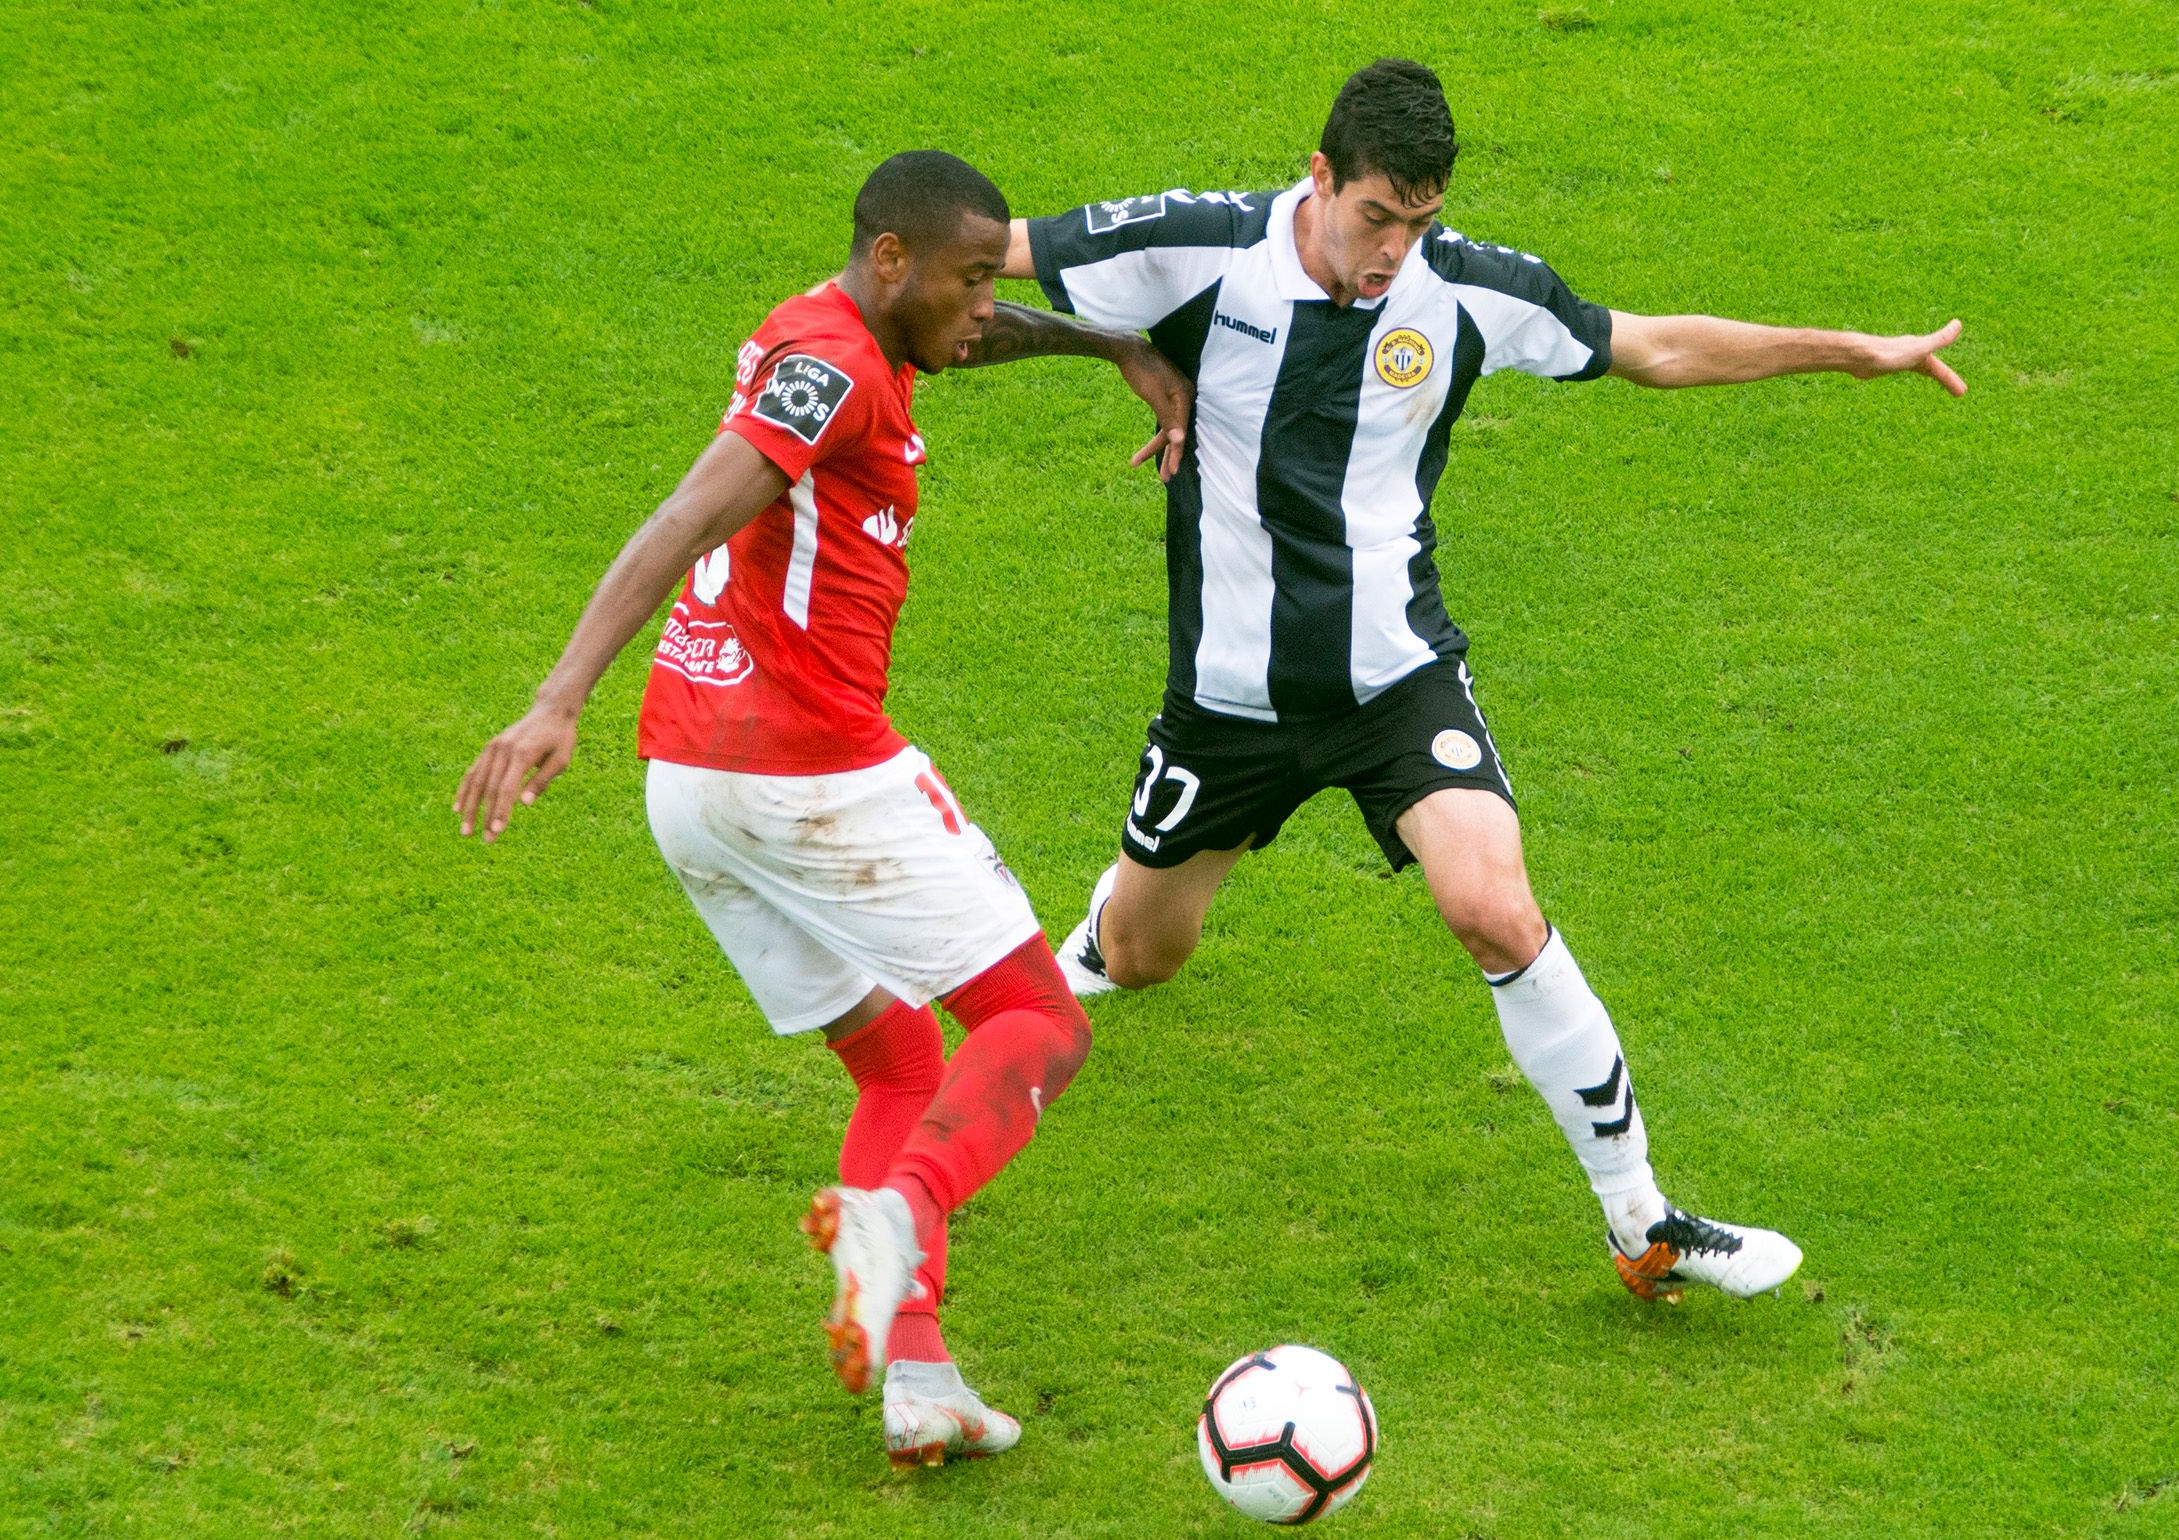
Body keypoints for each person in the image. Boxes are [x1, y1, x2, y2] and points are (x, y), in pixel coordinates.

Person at [1015, 60, 1968, 1303]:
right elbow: (977, 256)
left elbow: (1652, 347)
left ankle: (1642, 1219)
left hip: (1396, 682)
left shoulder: (1462, 289)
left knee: (1494, 909)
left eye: (1417, 223)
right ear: (1320, 177)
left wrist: (1847, 353)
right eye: (1374, 217)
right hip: (1229, 703)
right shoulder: (1203, 247)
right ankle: (1104, 926)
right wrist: (1116, 350)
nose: (1391, 252)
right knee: (1145, 956)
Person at [455, 150, 1192, 1464]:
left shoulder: (846, 325)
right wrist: (555, 698)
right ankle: (900, 1214)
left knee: (902, 1061)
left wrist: (1109, 345)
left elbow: (963, 338)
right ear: (892, 261)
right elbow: (689, 512)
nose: (985, 307)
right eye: (972, 278)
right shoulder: (839, 372)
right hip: (804, 766)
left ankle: (919, 1376)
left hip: (691, 781)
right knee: (1038, 1019)